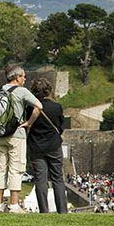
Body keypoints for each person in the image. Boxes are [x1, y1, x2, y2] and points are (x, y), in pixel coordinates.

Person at [0, 64, 42, 213]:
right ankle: (14, 204)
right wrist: (29, 123)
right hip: (16, 134)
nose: (25, 79)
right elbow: (39, 106)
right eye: (24, 76)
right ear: (17, 77)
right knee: (16, 168)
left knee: (0, 168)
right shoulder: (21, 91)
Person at [27, 78, 68, 214]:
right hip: (54, 145)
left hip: (37, 146)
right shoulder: (56, 107)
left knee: (40, 179)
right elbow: (60, 126)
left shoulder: (30, 108)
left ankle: (44, 210)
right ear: (48, 90)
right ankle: (62, 210)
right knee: (58, 179)